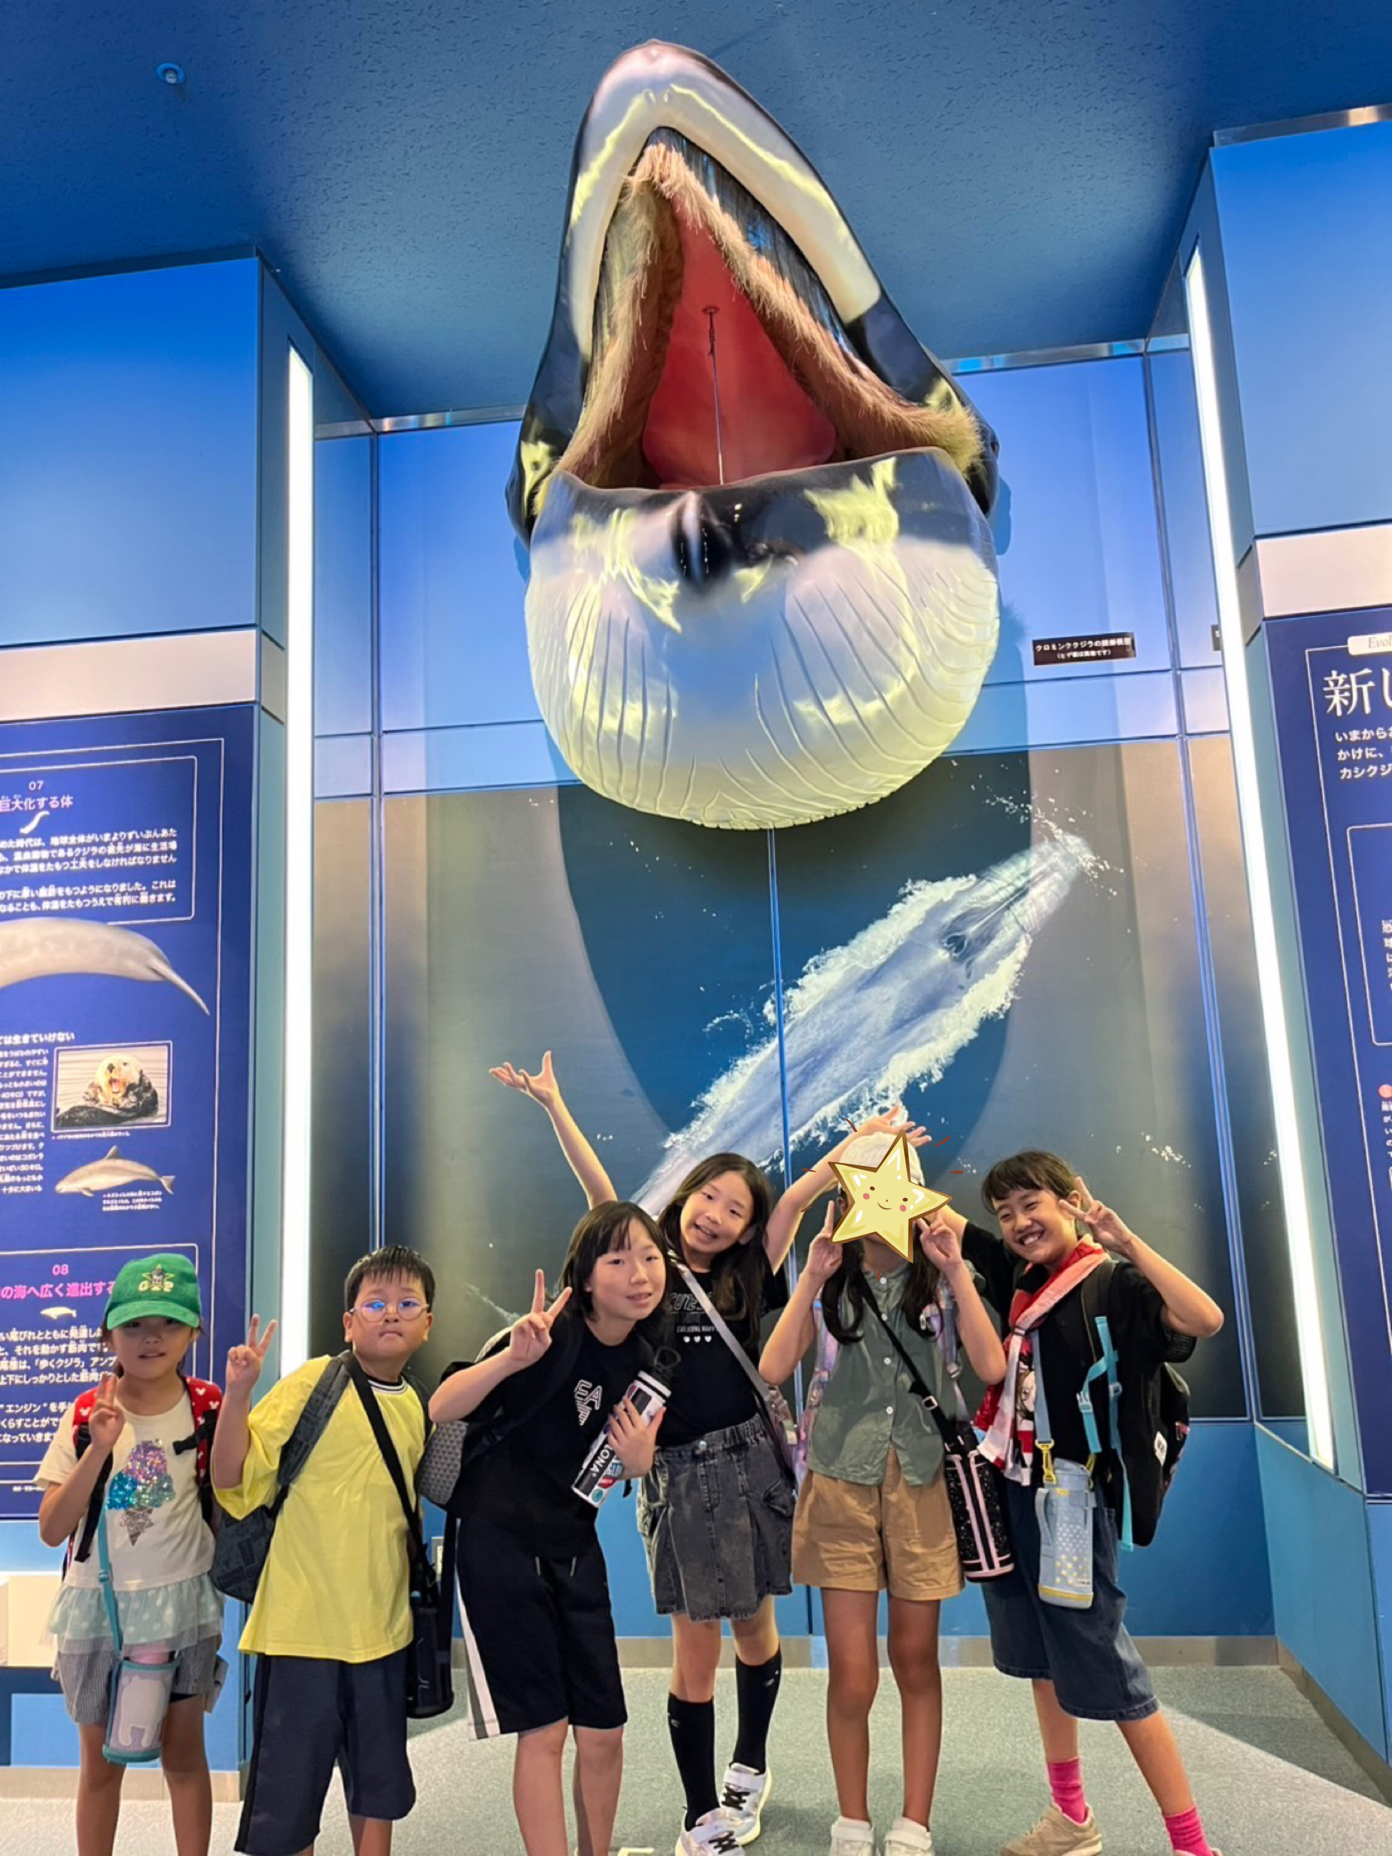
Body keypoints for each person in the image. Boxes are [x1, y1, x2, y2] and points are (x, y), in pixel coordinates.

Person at [492, 1050, 922, 1852]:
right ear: (685, 1197)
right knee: (693, 1651)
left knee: (756, 1629)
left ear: (749, 1228)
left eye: (735, 1208)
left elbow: (799, 1193)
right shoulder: (646, 1266)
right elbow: (601, 1195)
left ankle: (749, 1768)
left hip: (750, 1465)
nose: (716, 1215)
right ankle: (702, 1816)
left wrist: (862, 1142)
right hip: (676, 1476)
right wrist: (554, 1105)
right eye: (708, 1197)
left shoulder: (756, 1269)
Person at [936, 1152, 1225, 1856]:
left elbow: (1205, 1319)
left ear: (1069, 1201)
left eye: (1030, 1204)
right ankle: (1071, 1818)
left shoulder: (1112, 1283)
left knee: (1106, 1661)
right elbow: (929, 1211)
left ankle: (1192, 1845)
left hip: (1073, 1497)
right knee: (1041, 1657)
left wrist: (1125, 1241)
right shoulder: (1018, 1275)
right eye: (1004, 1213)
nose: (1017, 1223)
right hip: (1013, 1484)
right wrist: (877, 1146)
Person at [760, 1135, 1007, 1856]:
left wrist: (955, 1270)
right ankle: (852, 1820)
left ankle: (914, 1822)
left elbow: (990, 1366)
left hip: (922, 1481)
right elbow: (774, 1366)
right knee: (851, 1672)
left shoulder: (942, 1275)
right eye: (862, 1186)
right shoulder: (832, 1276)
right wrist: (812, 1276)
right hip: (840, 1480)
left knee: (916, 1658)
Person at [431, 1201, 669, 1856]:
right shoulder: (546, 1334)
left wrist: (640, 1461)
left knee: (605, 1729)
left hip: (572, 1544)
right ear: (585, 1277)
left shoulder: (649, 1358)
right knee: (545, 1729)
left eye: (650, 1257)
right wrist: (510, 1359)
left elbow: (626, 1464)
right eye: (617, 1260)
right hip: (498, 1538)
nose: (639, 1274)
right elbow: (442, 1406)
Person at [211, 1244, 435, 1856]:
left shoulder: (419, 1406)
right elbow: (230, 1478)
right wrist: (238, 1393)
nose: (391, 1314)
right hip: (298, 1632)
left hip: (383, 1633)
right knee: (286, 1805)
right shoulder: (314, 1382)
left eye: (407, 1303)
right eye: (375, 1304)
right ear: (348, 1322)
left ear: (427, 1323)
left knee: (377, 1792)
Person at [36, 1252, 225, 1856]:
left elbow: (229, 1492)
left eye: (169, 1323)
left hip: (184, 1601)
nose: (151, 1338)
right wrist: (98, 1447)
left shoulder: (208, 1405)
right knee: (100, 1765)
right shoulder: (85, 1413)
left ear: (193, 1331)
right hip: (98, 1608)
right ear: (108, 1334)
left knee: (184, 1756)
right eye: (135, 1323)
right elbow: (51, 1529)